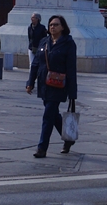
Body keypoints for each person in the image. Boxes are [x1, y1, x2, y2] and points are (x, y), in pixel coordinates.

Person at [26, 14, 77, 158]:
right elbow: (36, 63)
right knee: (53, 115)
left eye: (56, 24)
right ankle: (68, 138)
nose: (52, 27)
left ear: (63, 27)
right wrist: (30, 82)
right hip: (44, 84)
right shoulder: (44, 41)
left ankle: (42, 148)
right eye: (51, 25)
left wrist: (72, 92)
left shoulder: (68, 43)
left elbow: (71, 68)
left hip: (59, 85)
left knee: (48, 115)